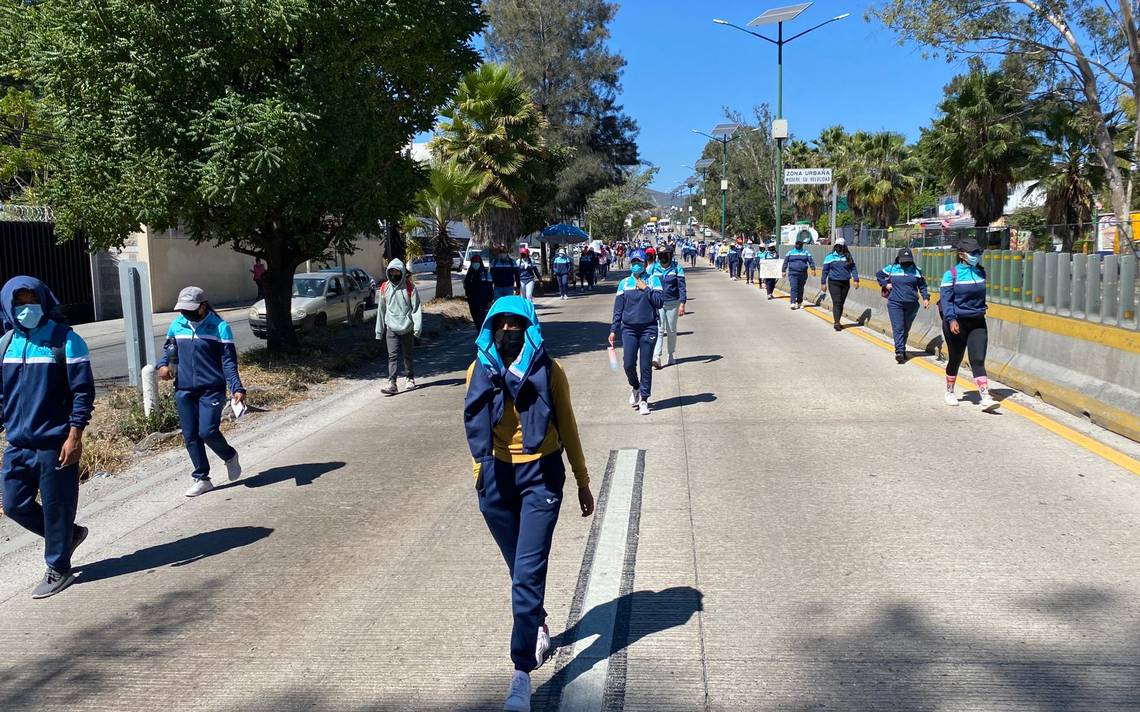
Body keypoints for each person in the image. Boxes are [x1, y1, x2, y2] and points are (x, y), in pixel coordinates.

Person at [464, 297, 595, 712]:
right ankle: (536, 620)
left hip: (542, 476)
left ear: (530, 327)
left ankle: (521, 672)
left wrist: (582, 481)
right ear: (489, 329)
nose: (508, 331)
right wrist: (479, 477)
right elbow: (475, 429)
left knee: (525, 576)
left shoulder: (551, 372)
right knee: (518, 569)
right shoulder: (478, 371)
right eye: (499, 324)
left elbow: (569, 426)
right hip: (497, 480)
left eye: (515, 324)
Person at [0, 276, 95, 598]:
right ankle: (67, 536)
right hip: (18, 445)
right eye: (19, 303)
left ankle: (59, 567)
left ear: (44, 300)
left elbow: (82, 393)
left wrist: (75, 436)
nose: (27, 308)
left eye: (32, 300)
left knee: (57, 509)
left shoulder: (66, 341)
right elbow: (4, 396)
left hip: (55, 444)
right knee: (14, 505)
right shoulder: (6, 344)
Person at [157, 286, 245, 498]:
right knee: (190, 435)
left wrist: (236, 387)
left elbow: (228, 362)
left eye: (190, 308)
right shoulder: (177, 325)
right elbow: (169, 350)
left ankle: (229, 455)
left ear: (203, 306)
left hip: (211, 389)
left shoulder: (220, 327)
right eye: (183, 309)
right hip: (184, 389)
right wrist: (163, 366)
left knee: (207, 431)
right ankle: (202, 478)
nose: (185, 312)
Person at [940, 237, 999, 411]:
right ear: (962, 255)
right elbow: (946, 300)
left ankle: (985, 396)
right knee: (956, 358)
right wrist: (951, 320)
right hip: (956, 322)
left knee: (978, 359)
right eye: (973, 253)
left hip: (977, 321)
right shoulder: (951, 274)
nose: (976, 256)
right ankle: (949, 391)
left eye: (978, 253)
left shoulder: (981, 272)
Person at [608, 249, 665, 415]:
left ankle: (645, 400)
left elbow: (659, 302)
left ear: (645, 263)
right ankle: (636, 387)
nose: (636, 265)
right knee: (628, 363)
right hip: (629, 329)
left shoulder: (654, 280)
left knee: (646, 364)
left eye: (639, 262)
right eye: (633, 262)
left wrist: (646, 288)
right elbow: (618, 310)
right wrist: (613, 330)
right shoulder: (624, 283)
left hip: (649, 328)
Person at [375, 259, 423, 396]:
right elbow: (381, 311)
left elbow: (416, 309)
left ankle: (410, 378)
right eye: (391, 272)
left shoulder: (410, 288)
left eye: (397, 272)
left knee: (408, 355)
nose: (394, 275)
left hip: (407, 328)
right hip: (391, 328)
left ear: (402, 272)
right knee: (392, 356)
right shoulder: (385, 288)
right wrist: (379, 331)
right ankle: (392, 383)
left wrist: (417, 328)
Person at [877, 247, 930, 363]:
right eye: (904, 260)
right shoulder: (892, 268)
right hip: (895, 303)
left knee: (905, 328)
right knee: (898, 328)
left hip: (912, 304)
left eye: (908, 260)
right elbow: (879, 275)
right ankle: (899, 351)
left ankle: (902, 348)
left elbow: (922, 286)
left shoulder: (917, 271)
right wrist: (886, 284)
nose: (906, 262)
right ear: (899, 259)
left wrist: (925, 298)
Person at [648, 246, 687, 369]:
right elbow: (646, 283)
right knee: (659, 330)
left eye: (665, 254)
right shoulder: (654, 268)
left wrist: (682, 303)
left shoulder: (677, 268)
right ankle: (656, 357)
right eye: (660, 255)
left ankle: (671, 355)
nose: (663, 257)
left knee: (671, 330)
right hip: (658, 303)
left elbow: (681, 287)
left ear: (670, 255)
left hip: (672, 303)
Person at [820, 238, 860, 331]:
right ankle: (836, 322)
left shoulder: (848, 256)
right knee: (837, 301)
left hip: (845, 282)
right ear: (835, 246)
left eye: (840, 246)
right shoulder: (829, 257)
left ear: (844, 247)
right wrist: (823, 283)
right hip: (833, 282)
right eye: (837, 246)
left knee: (841, 302)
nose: (839, 248)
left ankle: (838, 320)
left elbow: (853, 268)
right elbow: (825, 271)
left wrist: (856, 280)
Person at [781, 238, 817, 310]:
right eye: (797, 244)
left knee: (800, 288)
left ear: (802, 245)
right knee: (794, 287)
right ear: (795, 245)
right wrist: (783, 271)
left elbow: (811, 261)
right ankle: (793, 302)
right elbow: (785, 262)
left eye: (799, 244)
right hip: (792, 273)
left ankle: (799, 302)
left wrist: (813, 269)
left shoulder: (806, 252)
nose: (798, 245)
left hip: (803, 273)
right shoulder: (790, 252)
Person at [463, 252, 493, 328]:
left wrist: (490, 300)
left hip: (484, 301)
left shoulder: (486, 273)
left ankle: (483, 336)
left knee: (483, 321)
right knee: (476, 320)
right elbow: (466, 286)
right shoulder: (469, 274)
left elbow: (490, 287)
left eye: (477, 262)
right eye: (474, 262)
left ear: (480, 263)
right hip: (472, 302)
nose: (475, 264)